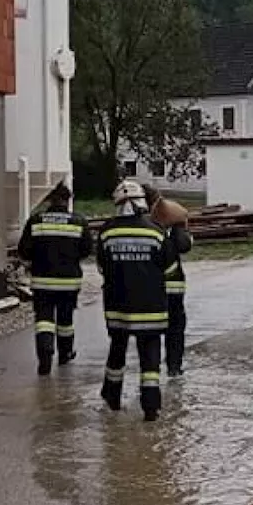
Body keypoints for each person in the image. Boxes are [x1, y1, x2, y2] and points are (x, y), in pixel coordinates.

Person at [98, 180, 177, 421]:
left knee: (117, 352)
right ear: (142, 202)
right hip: (151, 308)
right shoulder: (156, 231)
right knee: (150, 357)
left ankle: (112, 398)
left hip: (118, 307)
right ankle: (151, 407)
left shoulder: (107, 231)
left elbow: (102, 268)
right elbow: (171, 268)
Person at [17, 182, 93, 375]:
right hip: (69, 282)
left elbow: (23, 251)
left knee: (44, 319)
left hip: (42, 281)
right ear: (68, 200)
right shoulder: (78, 221)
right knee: (65, 320)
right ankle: (65, 353)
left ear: (49, 199)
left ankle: (45, 355)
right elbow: (86, 250)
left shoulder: (36, 221)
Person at [143, 184, 194, 377]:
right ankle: (174, 368)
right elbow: (184, 246)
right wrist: (183, 229)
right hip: (173, 287)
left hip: (147, 287)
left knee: (150, 331)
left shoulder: (137, 222)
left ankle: (151, 369)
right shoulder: (172, 219)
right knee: (175, 329)